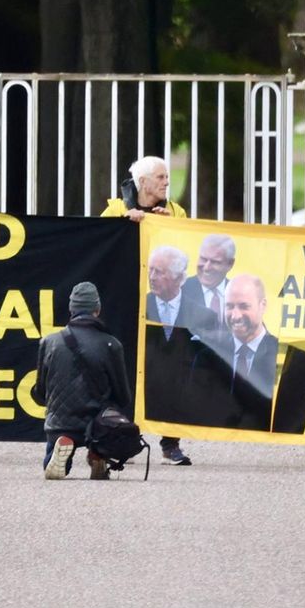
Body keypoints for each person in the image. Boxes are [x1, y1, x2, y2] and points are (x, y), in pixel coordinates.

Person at [101, 155, 191, 465]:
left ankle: (170, 442)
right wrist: (123, 224)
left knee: (170, 368)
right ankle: (120, 439)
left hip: (163, 303)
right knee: (123, 369)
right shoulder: (115, 208)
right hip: (127, 300)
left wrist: (172, 227)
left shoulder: (176, 211)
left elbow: (188, 248)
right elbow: (100, 242)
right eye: (161, 177)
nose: (167, 182)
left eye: (167, 176)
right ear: (143, 182)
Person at [186, 274, 305, 433]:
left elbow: (294, 421)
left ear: (262, 305)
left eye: (244, 306)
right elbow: (195, 410)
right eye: (229, 306)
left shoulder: (292, 359)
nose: (235, 316)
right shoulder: (206, 356)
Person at [34, 282, 132, 481]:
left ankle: (62, 445)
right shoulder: (111, 344)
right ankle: (98, 454)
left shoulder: (49, 342)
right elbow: (123, 396)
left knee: (56, 449)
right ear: (97, 310)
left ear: (71, 309)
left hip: (60, 423)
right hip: (98, 426)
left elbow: (40, 392)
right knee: (110, 418)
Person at [143, 245, 211, 427]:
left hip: (184, 399)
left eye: (159, 272)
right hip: (144, 394)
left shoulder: (203, 316)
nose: (151, 277)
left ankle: (171, 440)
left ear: (180, 278)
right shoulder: (138, 308)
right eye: (150, 270)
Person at [181, 233, 235, 336]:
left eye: (215, 262)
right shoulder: (179, 291)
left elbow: (258, 338)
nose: (206, 267)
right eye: (203, 259)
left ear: (230, 264)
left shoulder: (240, 294)